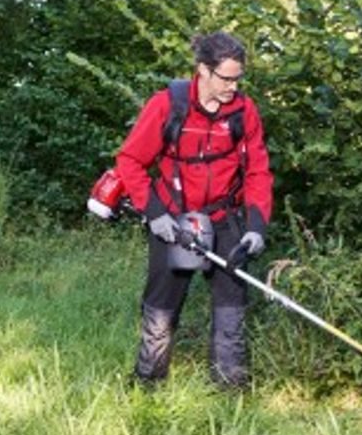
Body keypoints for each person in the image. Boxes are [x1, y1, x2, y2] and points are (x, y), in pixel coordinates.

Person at [115, 32, 273, 389]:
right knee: (161, 308)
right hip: (173, 218)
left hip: (225, 217)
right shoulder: (167, 105)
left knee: (231, 307)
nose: (233, 86)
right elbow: (130, 160)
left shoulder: (243, 112)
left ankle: (229, 389)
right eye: (226, 78)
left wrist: (255, 226)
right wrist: (155, 214)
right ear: (203, 70)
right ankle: (148, 387)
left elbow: (258, 171)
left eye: (238, 78)